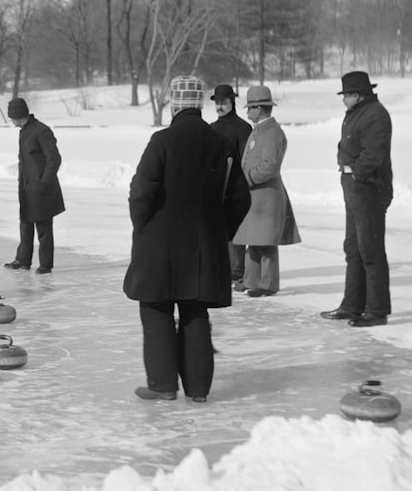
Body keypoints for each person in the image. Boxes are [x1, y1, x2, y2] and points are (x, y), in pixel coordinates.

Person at [123, 76, 251, 402]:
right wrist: (221, 232)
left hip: (159, 246)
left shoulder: (161, 141)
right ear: (198, 104)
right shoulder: (220, 143)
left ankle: (163, 385)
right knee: (195, 312)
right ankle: (197, 391)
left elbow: (141, 192)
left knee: (157, 309)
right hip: (203, 248)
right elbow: (240, 199)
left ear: (175, 105)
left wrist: (143, 227)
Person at [321, 71, 393, 327]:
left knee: (370, 249)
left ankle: (377, 310)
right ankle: (352, 305)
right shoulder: (357, 113)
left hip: (368, 189)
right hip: (354, 187)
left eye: (346, 95)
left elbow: (374, 154)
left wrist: (357, 173)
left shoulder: (375, 114)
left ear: (357, 95)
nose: (343, 100)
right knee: (353, 248)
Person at [231, 85, 301, 297]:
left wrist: (248, 178)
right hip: (255, 198)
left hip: (266, 196)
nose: (247, 113)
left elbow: (270, 165)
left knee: (266, 242)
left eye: (250, 108)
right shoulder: (260, 130)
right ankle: (251, 280)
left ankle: (267, 283)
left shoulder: (272, 133)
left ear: (259, 109)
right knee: (253, 239)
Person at [3, 97, 65, 274]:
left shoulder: (41, 131)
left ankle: (45, 265)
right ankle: (23, 260)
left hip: (41, 188)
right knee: (25, 224)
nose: (11, 122)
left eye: (12, 117)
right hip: (26, 187)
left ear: (18, 116)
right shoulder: (24, 131)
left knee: (43, 228)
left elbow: (54, 159)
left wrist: (44, 182)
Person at [209, 84, 251, 288]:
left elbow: (246, 158)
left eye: (223, 102)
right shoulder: (212, 128)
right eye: (217, 103)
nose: (219, 106)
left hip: (237, 187)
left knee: (236, 230)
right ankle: (224, 268)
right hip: (217, 186)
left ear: (232, 103)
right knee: (219, 230)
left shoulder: (242, 128)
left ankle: (237, 271)